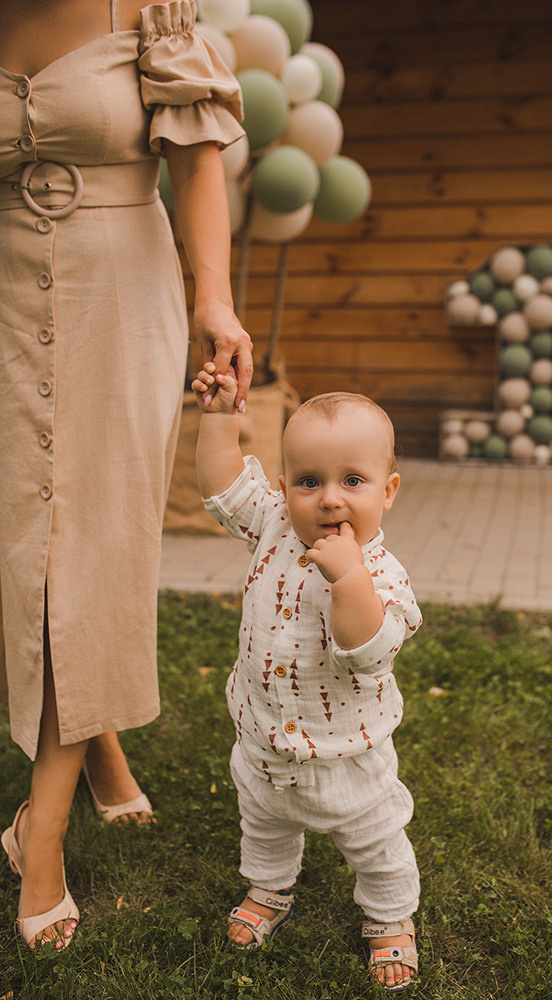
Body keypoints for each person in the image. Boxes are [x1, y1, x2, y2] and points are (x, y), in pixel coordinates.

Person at [0, 0, 252, 950]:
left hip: (119, 291)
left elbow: (195, 159)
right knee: (20, 549)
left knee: (90, 545)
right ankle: (98, 741)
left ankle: (43, 829)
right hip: (4, 298)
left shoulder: (149, 10)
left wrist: (214, 301)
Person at [192, 365, 422, 991]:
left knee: (375, 841)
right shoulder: (272, 525)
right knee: (264, 823)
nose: (329, 498)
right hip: (265, 739)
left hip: (350, 753)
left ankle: (389, 918)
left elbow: (366, 650)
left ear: (388, 489)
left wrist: (348, 579)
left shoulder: (382, 575)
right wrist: (219, 418)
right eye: (308, 480)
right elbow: (222, 487)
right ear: (286, 486)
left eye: (353, 480)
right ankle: (269, 888)